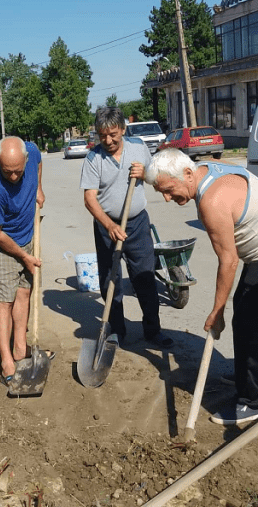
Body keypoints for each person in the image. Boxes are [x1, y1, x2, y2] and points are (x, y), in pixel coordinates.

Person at [146, 149, 258, 425]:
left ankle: (251, 402)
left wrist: (216, 311)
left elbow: (228, 261)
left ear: (186, 174)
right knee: (246, 314)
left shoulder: (212, 202)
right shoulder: (203, 167)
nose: (167, 198)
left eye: (169, 190)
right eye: (161, 192)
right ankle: (257, 374)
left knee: (250, 323)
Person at [80, 107, 171, 349]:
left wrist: (146, 173)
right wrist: (108, 225)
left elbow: (156, 177)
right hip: (106, 226)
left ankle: (153, 331)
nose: (108, 140)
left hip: (138, 223)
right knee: (111, 281)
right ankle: (117, 332)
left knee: (145, 278)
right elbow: (89, 199)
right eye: (102, 135)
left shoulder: (138, 147)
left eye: (113, 134)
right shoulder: (93, 159)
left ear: (122, 129)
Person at [0, 136, 48, 386]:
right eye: (7, 171)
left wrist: (39, 187)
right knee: (5, 300)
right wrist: (24, 256)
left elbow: (39, 159)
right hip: (2, 245)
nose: (13, 177)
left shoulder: (30, 153)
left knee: (24, 293)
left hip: (27, 236)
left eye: (18, 171)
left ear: (25, 161)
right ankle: (6, 359)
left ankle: (20, 348)